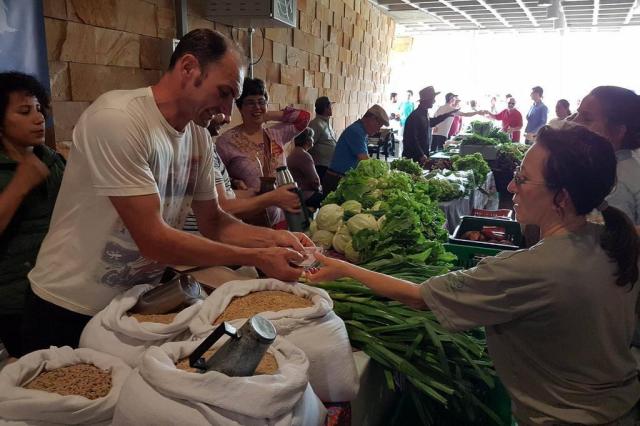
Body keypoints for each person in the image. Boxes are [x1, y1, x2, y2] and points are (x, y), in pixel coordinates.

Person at [308, 124, 640, 425]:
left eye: (522, 178)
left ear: (562, 197)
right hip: (620, 408)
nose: (510, 185)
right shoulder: (609, 238)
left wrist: (342, 269)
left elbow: (419, 297)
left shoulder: (534, 269)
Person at [24, 29, 314, 353]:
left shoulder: (200, 137)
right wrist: (258, 256)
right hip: (68, 305)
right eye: (223, 93)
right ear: (188, 68)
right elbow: (154, 240)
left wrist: (275, 240)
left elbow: (215, 223)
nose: (227, 112)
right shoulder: (119, 119)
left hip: (135, 304)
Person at [0, 72, 65, 357]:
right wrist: (20, 184)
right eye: (24, 111)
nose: (39, 118)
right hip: (15, 301)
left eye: (39, 109)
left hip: (59, 288)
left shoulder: (52, 159)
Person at [216, 77, 310, 228]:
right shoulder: (226, 142)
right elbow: (217, 179)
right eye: (250, 102)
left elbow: (304, 118)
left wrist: (267, 115)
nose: (257, 107)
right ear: (240, 107)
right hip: (250, 220)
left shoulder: (276, 134)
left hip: (284, 217)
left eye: (261, 101)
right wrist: (235, 182)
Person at [323, 105, 389, 193]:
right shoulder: (356, 131)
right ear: (372, 118)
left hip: (342, 178)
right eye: (378, 125)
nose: (378, 130)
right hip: (336, 179)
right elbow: (365, 161)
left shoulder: (361, 131)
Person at [402, 86, 456, 165]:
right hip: (413, 157)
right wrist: (421, 154)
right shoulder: (416, 116)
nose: (434, 101)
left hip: (421, 155)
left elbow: (432, 122)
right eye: (433, 98)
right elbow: (412, 139)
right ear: (426, 100)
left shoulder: (424, 113)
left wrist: (447, 115)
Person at [287, 128, 324, 209]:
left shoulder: (293, 153)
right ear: (307, 140)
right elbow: (315, 180)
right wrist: (320, 189)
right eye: (312, 137)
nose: (313, 140)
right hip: (305, 194)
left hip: (297, 193)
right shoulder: (303, 155)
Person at [307, 96, 337, 181]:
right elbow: (308, 146)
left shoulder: (326, 123)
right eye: (330, 106)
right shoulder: (315, 124)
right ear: (326, 108)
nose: (332, 108)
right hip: (320, 166)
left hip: (329, 165)